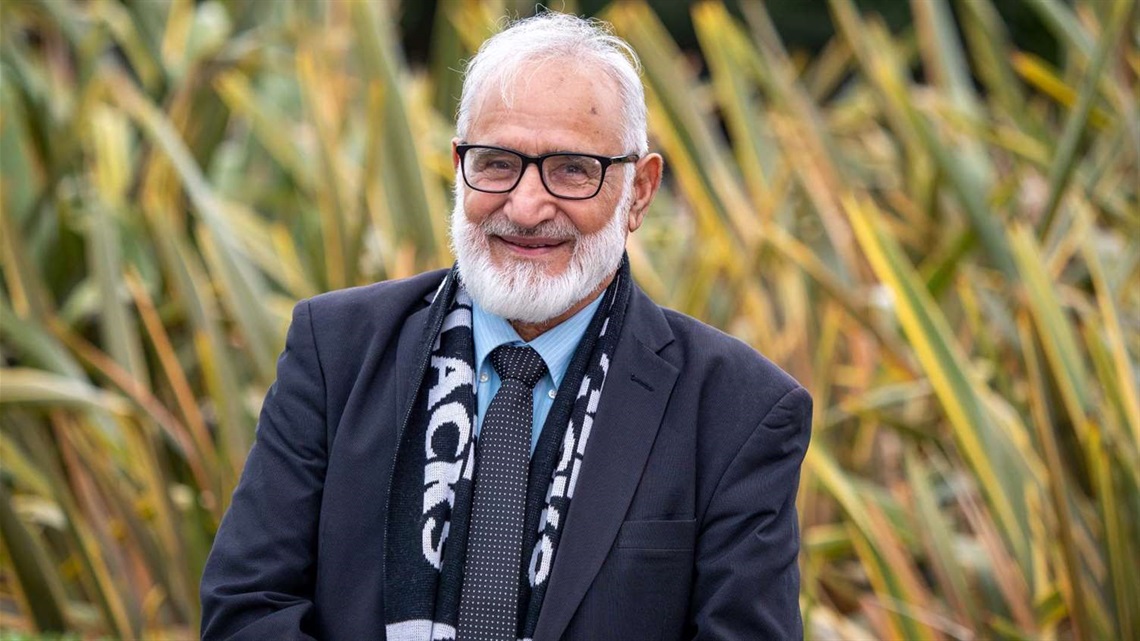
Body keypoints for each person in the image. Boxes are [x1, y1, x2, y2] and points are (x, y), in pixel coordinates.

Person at [200, 11, 811, 641]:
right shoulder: (337, 351)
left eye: (573, 170)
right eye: (496, 163)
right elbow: (248, 607)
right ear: (458, 163)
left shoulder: (740, 411)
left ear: (640, 191)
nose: (525, 206)